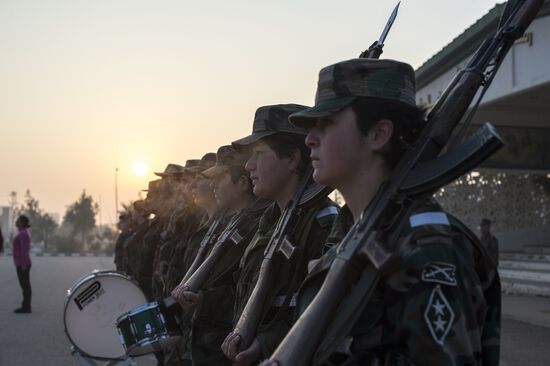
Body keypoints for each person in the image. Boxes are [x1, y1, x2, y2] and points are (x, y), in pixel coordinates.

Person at [262, 58, 501, 365]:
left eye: (327, 123)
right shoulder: (351, 232)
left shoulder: (429, 246)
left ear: (378, 134)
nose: (310, 138)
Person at [220, 104, 338, 366]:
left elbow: (323, 312)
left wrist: (265, 343)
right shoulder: (270, 221)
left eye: (259, 154)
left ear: (294, 159)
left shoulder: (323, 223)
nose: (249, 166)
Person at [172, 145, 268, 366]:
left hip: (227, 343)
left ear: (242, 183)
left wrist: (204, 299)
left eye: (220, 177)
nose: (212, 184)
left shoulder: (258, 225)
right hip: (207, 337)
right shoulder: (230, 223)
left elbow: (249, 292)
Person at [13, 215, 32, 314]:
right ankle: (25, 306)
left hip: (23, 264)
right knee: (24, 285)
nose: (16, 221)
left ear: (23, 222)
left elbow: (24, 250)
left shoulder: (23, 234)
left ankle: (26, 307)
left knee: (25, 285)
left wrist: (24, 265)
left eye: (18, 220)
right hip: (21, 263)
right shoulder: (22, 232)